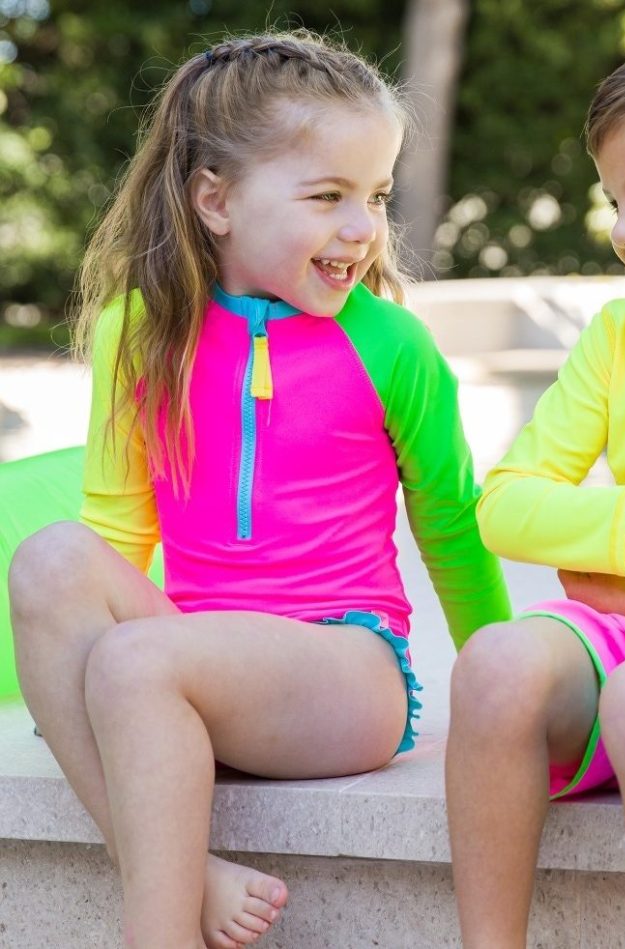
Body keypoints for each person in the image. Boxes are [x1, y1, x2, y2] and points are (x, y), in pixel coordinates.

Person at [8, 30, 510, 949]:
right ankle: (184, 867)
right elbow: (115, 529)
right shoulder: (139, 333)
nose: (363, 228)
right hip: (193, 662)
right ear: (217, 199)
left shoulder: (392, 347)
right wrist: (87, 684)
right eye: (329, 196)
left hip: (347, 672)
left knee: (132, 662)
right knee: (47, 562)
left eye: (376, 196)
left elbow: (453, 529)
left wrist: (502, 693)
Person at [446, 53, 625, 949]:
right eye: (615, 201)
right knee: (494, 665)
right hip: (623, 637)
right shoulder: (615, 337)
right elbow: (508, 504)